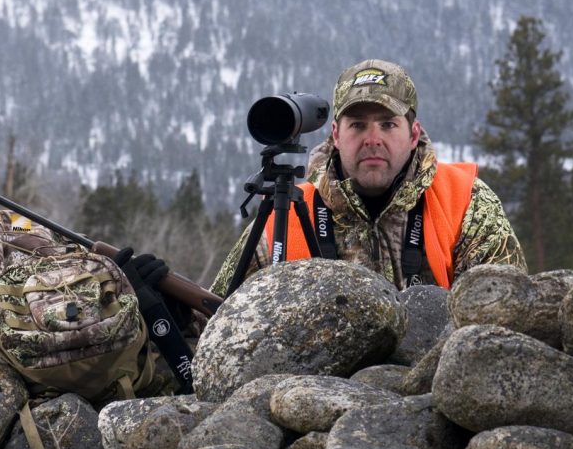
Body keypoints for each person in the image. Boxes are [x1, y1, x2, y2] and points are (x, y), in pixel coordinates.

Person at [211, 58, 527, 294]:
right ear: (335, 134)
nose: (373, 139)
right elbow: (214, 319)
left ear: (414, 134)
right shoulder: (288, 215)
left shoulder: (463, 201)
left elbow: (503, 309)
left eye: (388, 125)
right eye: (358, 125)